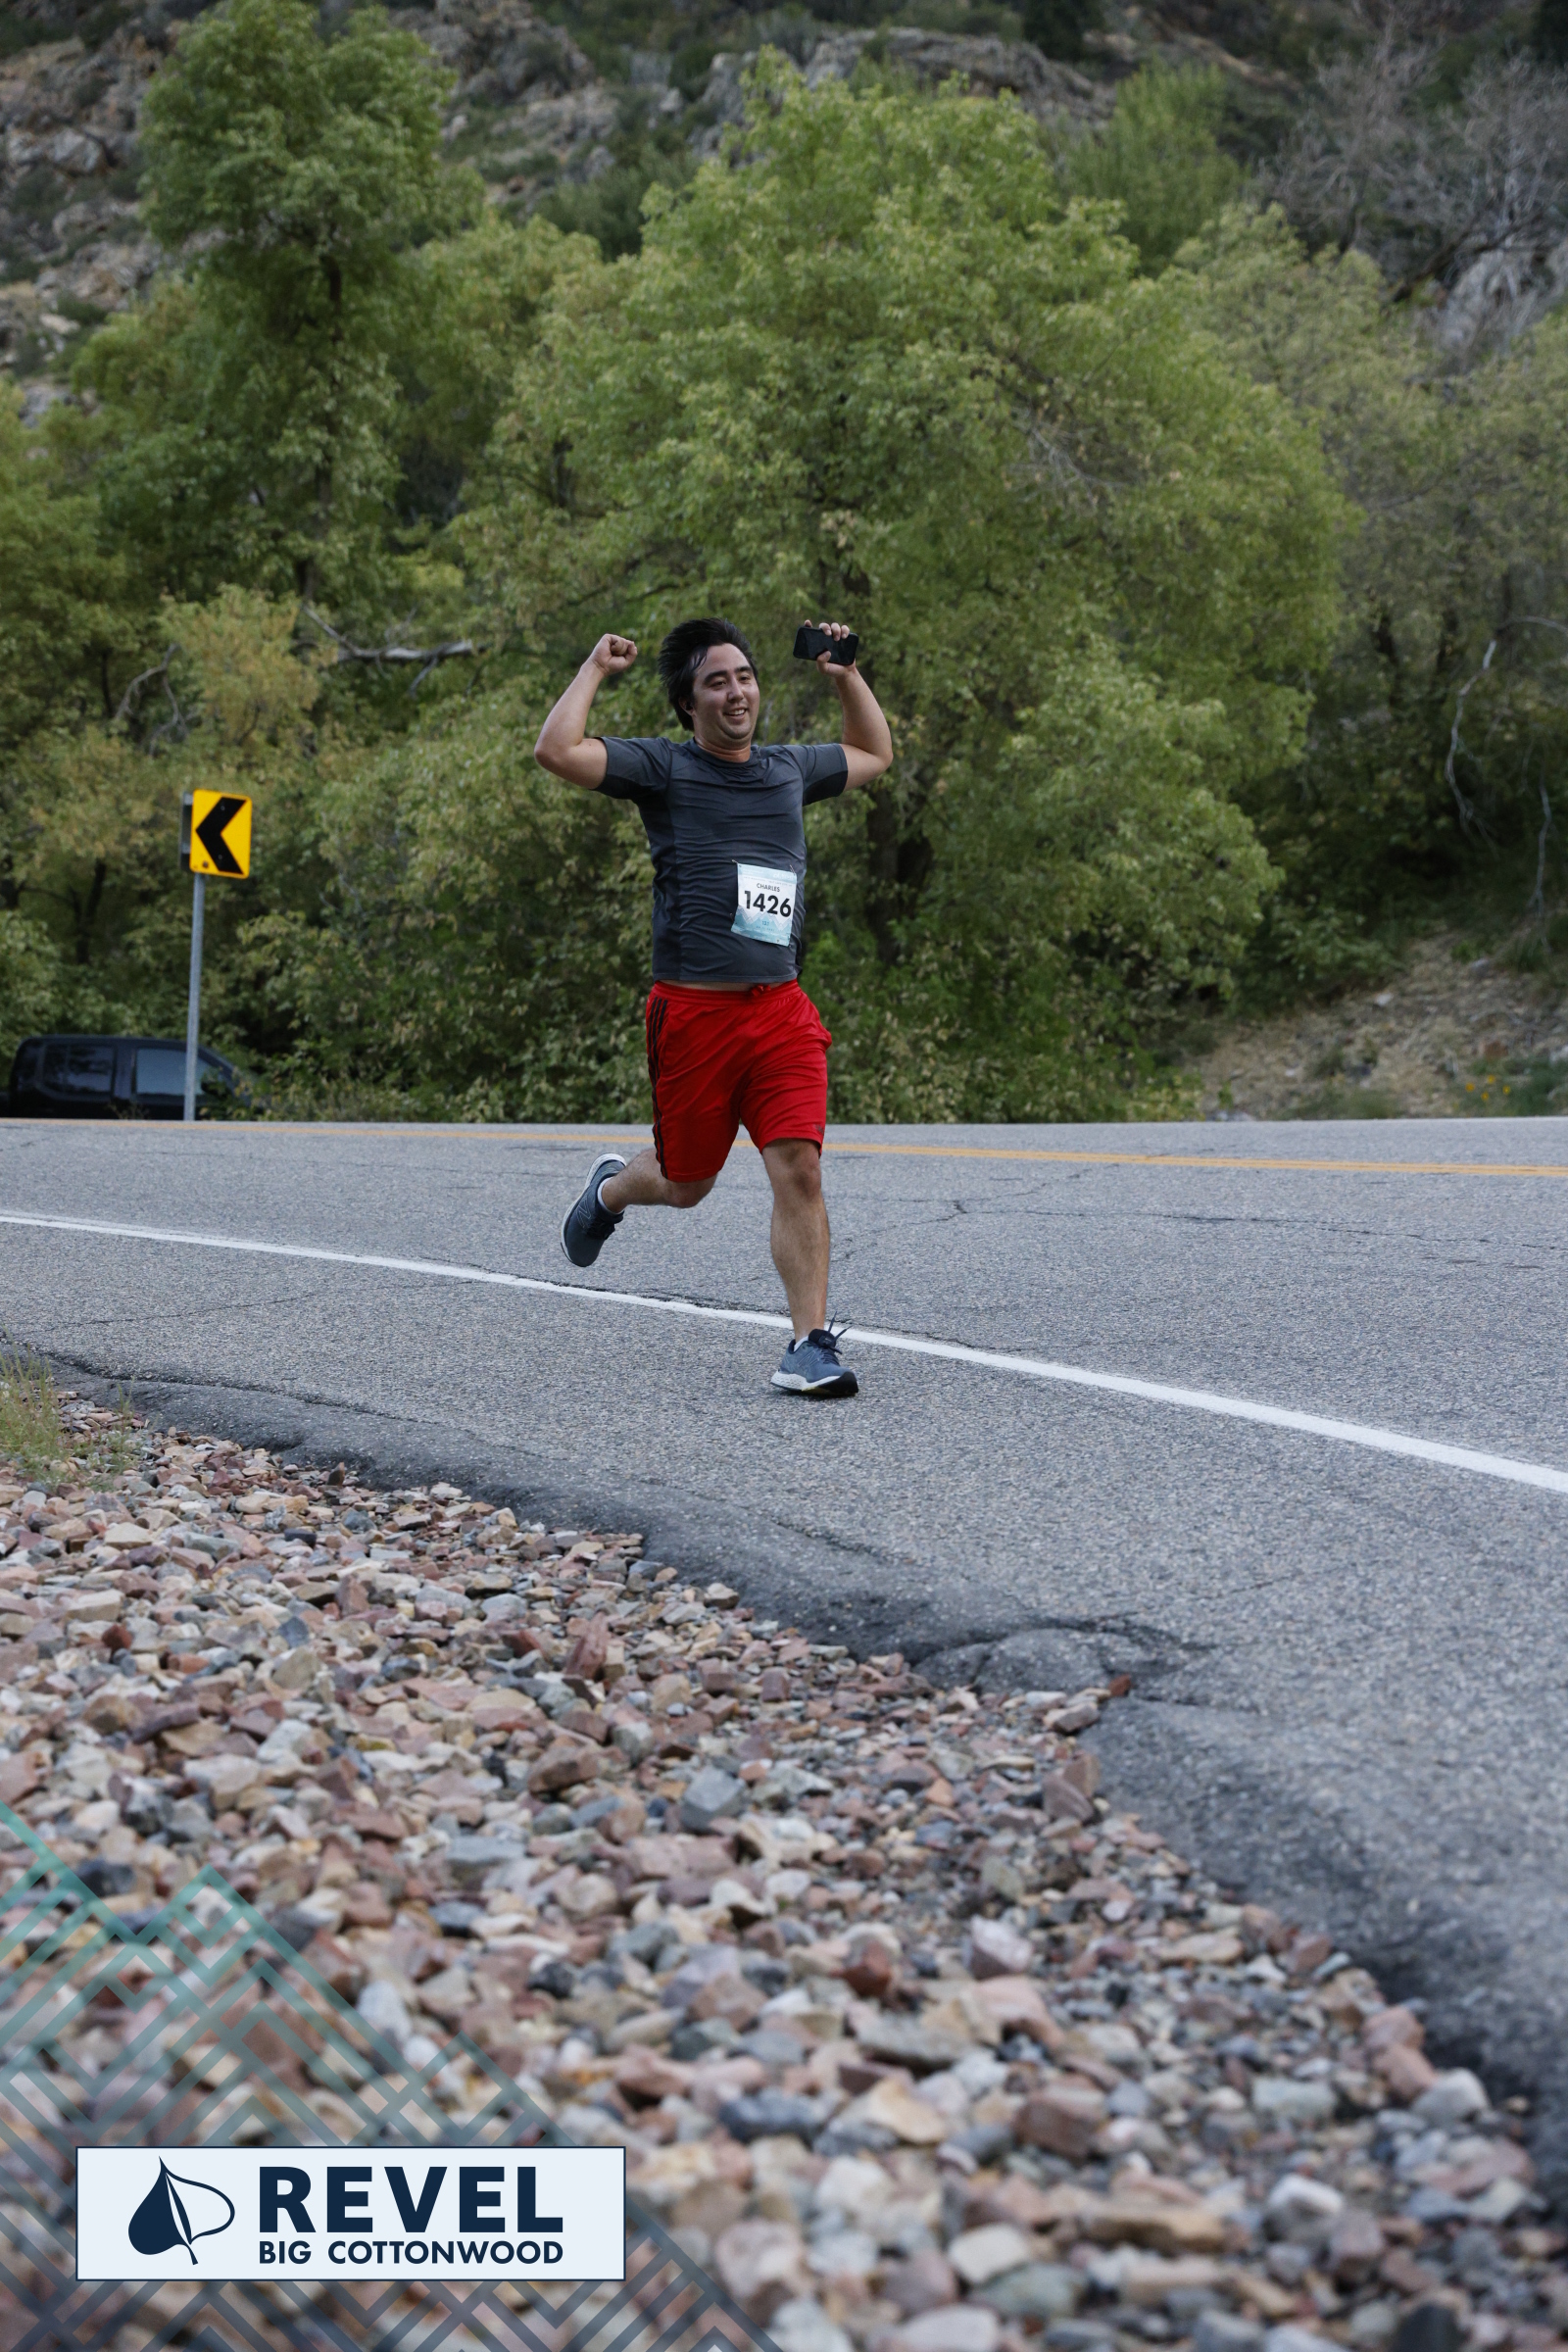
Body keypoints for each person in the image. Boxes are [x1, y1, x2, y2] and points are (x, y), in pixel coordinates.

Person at [533, 616, 894, 1396]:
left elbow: (873, 753)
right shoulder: (663, 768)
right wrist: (594, 667)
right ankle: (610, 1190)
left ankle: (809, 1345)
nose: (737, 692)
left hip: (780, 1010)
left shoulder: (788, 769)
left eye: (745, 676)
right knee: (687, 1184)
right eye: (716, 682)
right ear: (687, 704)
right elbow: (556, 750)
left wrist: (845, 676)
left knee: (799, 1167)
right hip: (695, 1016)